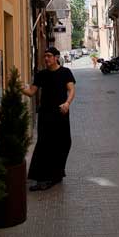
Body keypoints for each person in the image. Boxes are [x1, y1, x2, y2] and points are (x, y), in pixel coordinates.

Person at [23, 47, 76, 191]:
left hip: (61, 113)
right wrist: (19, 86)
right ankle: (44, 178)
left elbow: (71, 89)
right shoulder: (41, 74)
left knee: (64, 142)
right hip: (45, 114)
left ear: (56, 57)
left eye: (49, 56)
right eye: (45, 56)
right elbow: (31, 92)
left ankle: (57, 173)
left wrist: (67, 103)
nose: (46, 58)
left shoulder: (65, 73)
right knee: (45, 144)